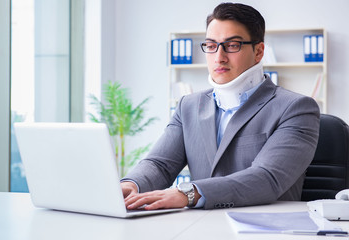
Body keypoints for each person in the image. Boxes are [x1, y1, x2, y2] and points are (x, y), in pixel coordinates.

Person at [121, 2, 320, 210]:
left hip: (264, 229)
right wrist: (131, 184)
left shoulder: (296, 108)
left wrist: (188, 193)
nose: (219, 57)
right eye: (211, 45)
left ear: (259, 51)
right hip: (201, 225)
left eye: (232, 45)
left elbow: (267, 177)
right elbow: (160, 165)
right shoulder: (188, 106)